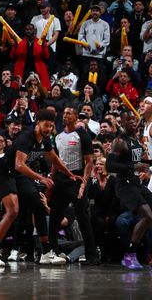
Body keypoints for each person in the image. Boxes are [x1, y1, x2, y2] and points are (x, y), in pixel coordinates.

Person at [0, 109, 79, 266]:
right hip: (4, 174)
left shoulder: (45, 139)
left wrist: (70, 174)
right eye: (46, 125)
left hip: (17, 175)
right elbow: (19, 165)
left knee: (39, 207)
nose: (49, 129)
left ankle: (46, 253)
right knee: (13, 211)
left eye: (51, 126)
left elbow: (55, 159)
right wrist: (41, 177)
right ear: (38, 123)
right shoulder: (26, 138)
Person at [48, 106, 99, 264]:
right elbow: (55, 162)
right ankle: (51, 250)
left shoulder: (82, 134)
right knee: (55, 216)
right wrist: (51, 180)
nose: (65, 116)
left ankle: (92, 255)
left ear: (76, 117)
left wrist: (84, 183)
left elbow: (89, 162)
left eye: (69, 113)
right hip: (60, 179)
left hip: (77, 177)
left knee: (83, 216)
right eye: (64, 114)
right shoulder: (58, 136)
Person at [106, 137, 152, 269]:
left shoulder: (136, 142)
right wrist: (134, 166)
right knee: (148, 216)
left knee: (150, 218)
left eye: (134, 119)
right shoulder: (120, 141)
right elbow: (109, 166)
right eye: (130, 119)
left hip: (136, 183)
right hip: (125, 185)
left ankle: (146, 254)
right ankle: (129, 256)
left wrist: (146, 162)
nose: (133, 121)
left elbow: (138, 161)